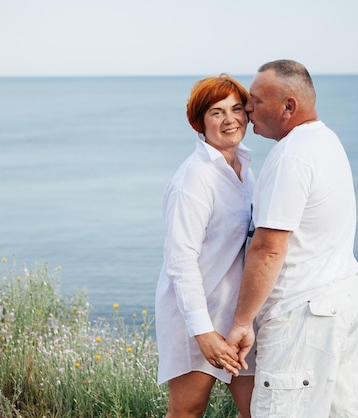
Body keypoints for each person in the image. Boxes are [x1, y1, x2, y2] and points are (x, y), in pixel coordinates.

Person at [226, 59, 358, 417]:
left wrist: (242, 322)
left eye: (255, 99)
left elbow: (269, 247)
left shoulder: (291, 155)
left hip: (302, 315)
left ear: (289, 106)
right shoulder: (326, 141)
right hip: (340, 299)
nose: (247, 108)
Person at [155, 73, 256, 418]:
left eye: (237, 108)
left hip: (241, 318)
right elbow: (180, 262)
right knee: (187, 411)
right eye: (217, 112)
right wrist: (203, 332)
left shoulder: (246, 166)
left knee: (260, 409)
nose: (230, 119)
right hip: (198, 316)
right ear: (198, 121)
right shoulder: (194, 178)